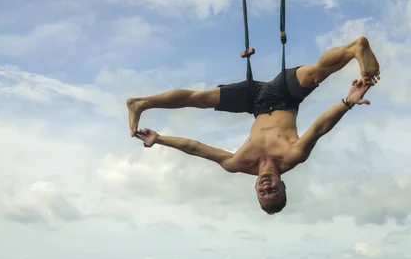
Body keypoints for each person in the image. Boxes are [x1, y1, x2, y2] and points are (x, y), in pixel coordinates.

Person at [126, 36, 380, 214]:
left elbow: (195, 148)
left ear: (255, 189)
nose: (267, 189)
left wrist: (159, 139)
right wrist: (348, 102)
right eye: (274, 192)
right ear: (283, 186)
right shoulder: (293, 156)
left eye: (263, 194)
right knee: (316, 73)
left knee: (199, 98)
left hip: (254, 101)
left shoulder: (237, 164)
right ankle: (355, 48)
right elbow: (319, 128)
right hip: (285, 96)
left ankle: (140, 103)